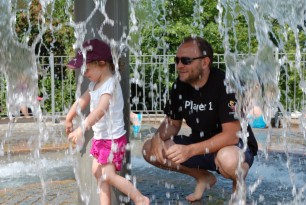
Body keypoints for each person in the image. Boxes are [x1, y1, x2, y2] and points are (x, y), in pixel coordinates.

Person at [142, 36, 258, 202]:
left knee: (228, 160)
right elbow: (173, 124)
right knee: (149, 149)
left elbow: (231, 135)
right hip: (199, 143)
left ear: (205, 62)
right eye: (177, 60)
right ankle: (203, 177)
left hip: (233, 146)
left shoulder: (227, 84)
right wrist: (157, 137)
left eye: (186, 60)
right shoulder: (180, 86)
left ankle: (238, 186)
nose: (179, 65)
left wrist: (189, 150)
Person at [65, 38, 149, 205]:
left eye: (87, 68)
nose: (84, 73)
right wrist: (69, 117)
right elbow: (82, 100)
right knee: (97, 172)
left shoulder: (110, 84)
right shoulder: (94, 84)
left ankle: (140, 198)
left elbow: (100, 110)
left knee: (108, 175)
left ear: (102, 63)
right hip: (101, 138)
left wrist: (81, 128)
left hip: (113, 139)